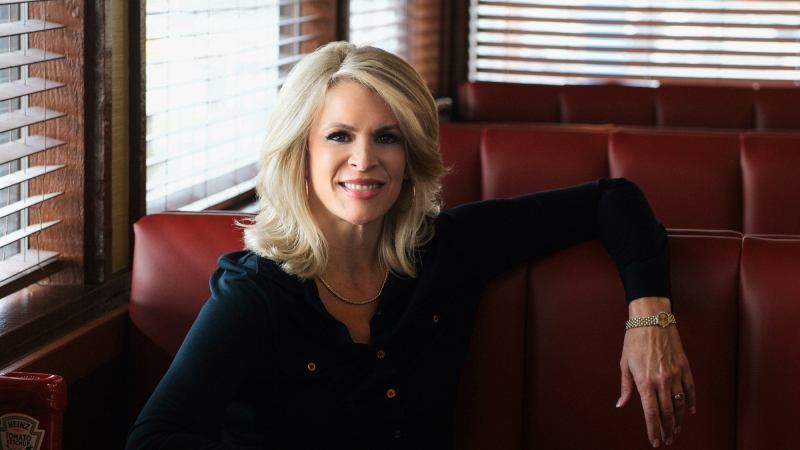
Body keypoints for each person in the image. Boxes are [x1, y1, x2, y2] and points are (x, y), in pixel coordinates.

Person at [126, 41, 695, 450]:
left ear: (410, 155)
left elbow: (612, 200)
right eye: (339, 136)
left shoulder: (448, 249)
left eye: (387, 137)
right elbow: (156, 436)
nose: (364, 159)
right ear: (301, 153)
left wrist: (650, 318)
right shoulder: (256, 292)